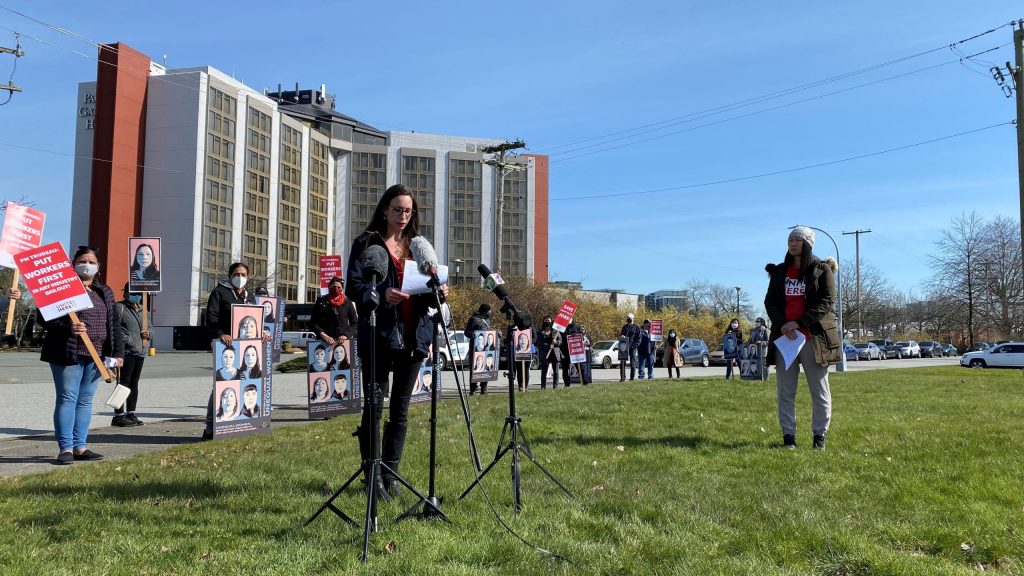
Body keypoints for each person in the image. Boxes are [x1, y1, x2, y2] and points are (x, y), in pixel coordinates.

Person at [345, 183, 448, 500]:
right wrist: (379, 294)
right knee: (374, 407)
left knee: (400, 411)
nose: (403, 215)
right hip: (378, 335)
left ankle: (390, 474)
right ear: (385, 209)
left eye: (408, 210)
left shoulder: (419, 246)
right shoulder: (366, 244)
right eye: (397, 209)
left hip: (413, 338)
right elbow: (354, 286)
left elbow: (429, 291)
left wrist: (439, 292)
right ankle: (372, 476)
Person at [20, 246, 124, 464]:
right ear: (73, 263)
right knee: (68, 398)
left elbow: (114, 324)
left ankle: (80, 446)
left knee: (85, 401)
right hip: (68, 353)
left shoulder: (104, 291)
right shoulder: (60, 289)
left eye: (92, 261)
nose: (87, 265)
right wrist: (69, 326)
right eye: (82, 260)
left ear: (98, 266)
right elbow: (44, 317)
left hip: (96, 356)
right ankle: (65, 448)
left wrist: (117, 353)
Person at [764, 226, 839, 450]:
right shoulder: (779, 272)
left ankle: (819, 438)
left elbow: (827, 302)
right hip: (785, 339)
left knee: (819, 390)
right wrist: (783, 325)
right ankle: (789, 438)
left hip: (812, 339)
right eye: (790, 240)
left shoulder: (820, 269)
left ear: (807, 243)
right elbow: (770, 302)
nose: (793, 243)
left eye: (797, 240)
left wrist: (799, 323)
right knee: (785, 391)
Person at [202, 261, 262, 440]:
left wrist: (263, 333)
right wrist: (220, 334)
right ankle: (211, 427)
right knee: (221, 385)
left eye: (243, 274)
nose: (240, 277)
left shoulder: (249, 297)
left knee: (243, 384)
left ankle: (237, 424)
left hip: (244, 348)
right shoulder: (219, 292)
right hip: (225, 346)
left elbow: (255, 321)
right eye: (236, 274)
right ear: (229, 277)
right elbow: (211, 316)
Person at [112, 283, 151, 427]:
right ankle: (118, 414)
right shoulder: (119, 307)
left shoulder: (143, 310)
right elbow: (114, 328)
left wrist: (149, 334)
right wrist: (126, 339)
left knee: (134, 384)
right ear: (126, 293)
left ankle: (131, 412)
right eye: (132, 292)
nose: (135, 295)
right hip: (126, 351)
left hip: (140, 352)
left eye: (138, 292)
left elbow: (151, 329)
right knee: (123, 383)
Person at [310, 276, 358, 347]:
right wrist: (324, 335)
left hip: (343, 344)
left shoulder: (348, 302)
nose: (336, 289)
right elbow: (313, 323)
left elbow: (355, 323)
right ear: (329, 287)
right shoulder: (321, 301)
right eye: (333, 287)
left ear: (342, 289)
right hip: (324, 343)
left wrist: (345, 335)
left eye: (339, 287)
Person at [463, 303, 491, 394]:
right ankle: (473, 389)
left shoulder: (488, 320)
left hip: (485, 349)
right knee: (474, 367)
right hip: (475, 348)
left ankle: (484, 389)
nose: (490, 312)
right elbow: (466, 332)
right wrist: (472, 334)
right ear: (485, 311)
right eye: (489, 310)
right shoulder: (473, 319)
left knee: (485, 368)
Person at [537, 315, 562, 389]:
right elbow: (539, 343)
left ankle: (555, 386)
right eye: (546, 320)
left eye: (549, 321)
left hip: (555, 353)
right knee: (544, 371)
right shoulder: (540, 332)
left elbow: (560, 341)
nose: (547, 322)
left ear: (552, 322)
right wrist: (548, 345)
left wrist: (556, 342)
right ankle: (543, 386)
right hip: (545, 354)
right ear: (543, 322)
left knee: (556, 371)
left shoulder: (555, 331)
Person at [619, 313, 641, 381]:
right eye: (627, 318)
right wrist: (622, 336)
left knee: (633, 363)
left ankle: (632, 378)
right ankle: (623, 377)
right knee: (622, 363)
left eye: (629, 318)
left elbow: (639, 339)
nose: (628, 319)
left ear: (633, 319)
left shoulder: (637, 327)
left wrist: (634, 346)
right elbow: (622, 334)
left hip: (632, 348)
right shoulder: (624, 327)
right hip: (624, 347)